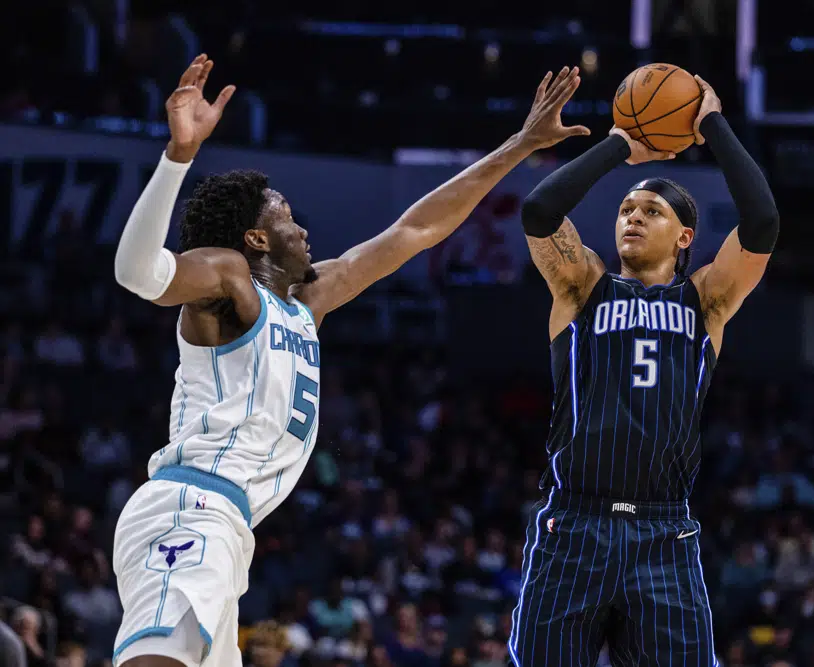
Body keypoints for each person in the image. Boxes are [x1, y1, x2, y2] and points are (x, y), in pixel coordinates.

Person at [110, 54, 590, 667]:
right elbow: (135, 273)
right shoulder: (228, 277)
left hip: (228, 527)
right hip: (190, 507)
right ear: (255, 239)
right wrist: (177, 157)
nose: (301, 225)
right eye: (283, 215)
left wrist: (519, 147)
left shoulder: (307, 301)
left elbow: (416, 230)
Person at [508, 75, 779, 666]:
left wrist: (712, 124)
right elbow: (539, 209)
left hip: (664, 533)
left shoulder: (705, 300)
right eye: (627, 208)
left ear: (684, 236)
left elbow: (761, 222)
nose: (631, 217)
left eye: (650, 211)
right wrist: (619, 144)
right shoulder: (583, 285)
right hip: (573, 524)